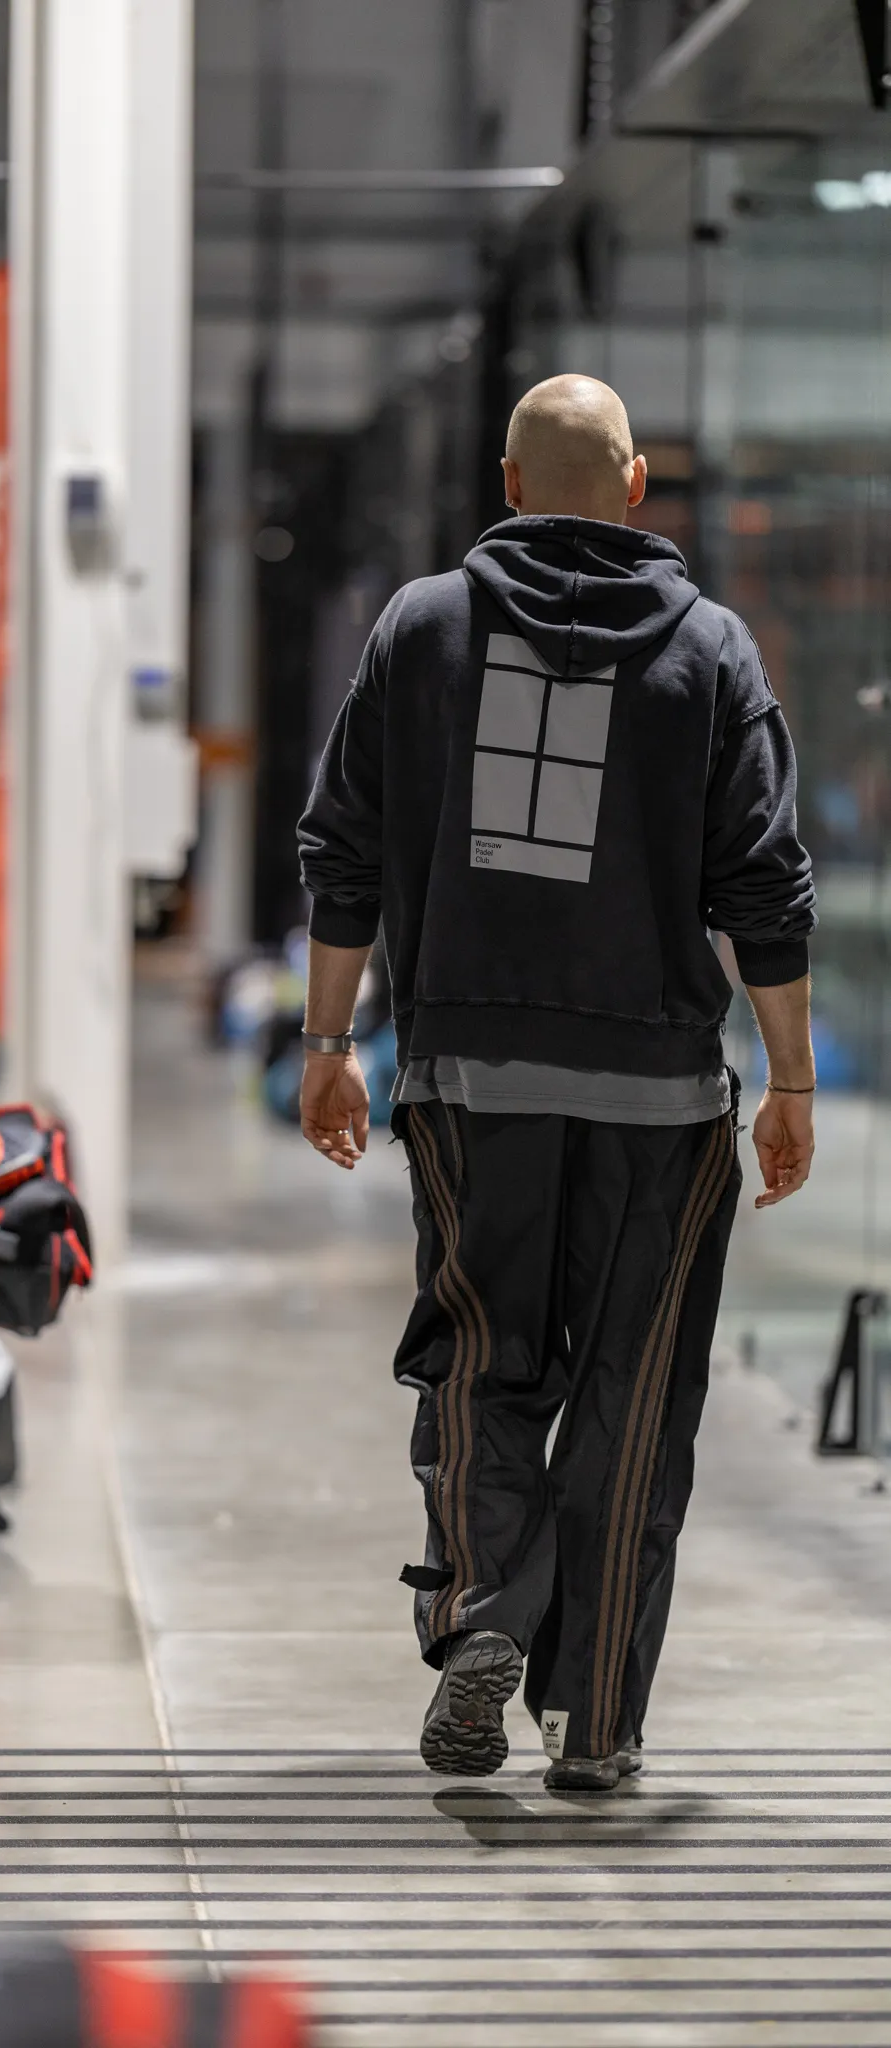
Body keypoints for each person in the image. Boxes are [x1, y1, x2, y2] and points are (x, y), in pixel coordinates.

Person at [296, 374, 816, 1792]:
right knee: (634, 1397)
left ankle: (479, 1616)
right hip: (657, 1092)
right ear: (637, 486)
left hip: (469, 1078)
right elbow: (761, 888)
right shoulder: (708, 649)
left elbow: (341, 847)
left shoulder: (420, 628)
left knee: (480, 1357)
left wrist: (329, 1044)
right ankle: (594, 1723)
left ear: (509, 485)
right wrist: (790, 1081)